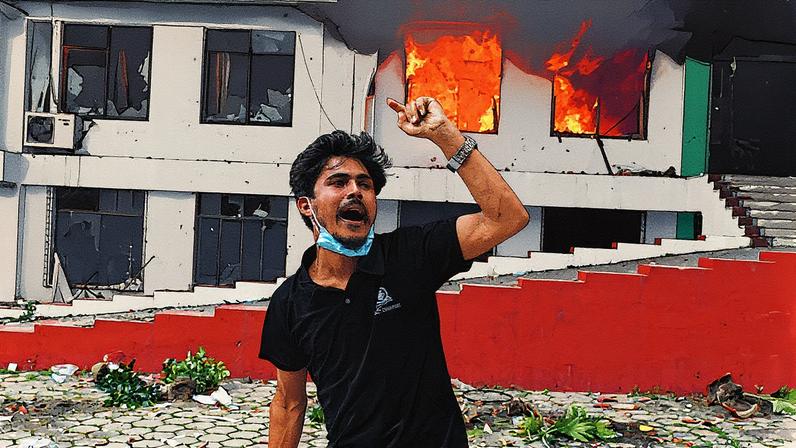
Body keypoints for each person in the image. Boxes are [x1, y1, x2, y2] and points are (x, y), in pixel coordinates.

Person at [259, 96, 529, 447]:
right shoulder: (289, 302)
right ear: (306, 205)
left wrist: (445, 136)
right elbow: (288, 403)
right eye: (338, 182)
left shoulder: (410, 254)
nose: (355, 191)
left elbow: (507, 218)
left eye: (365, 184)